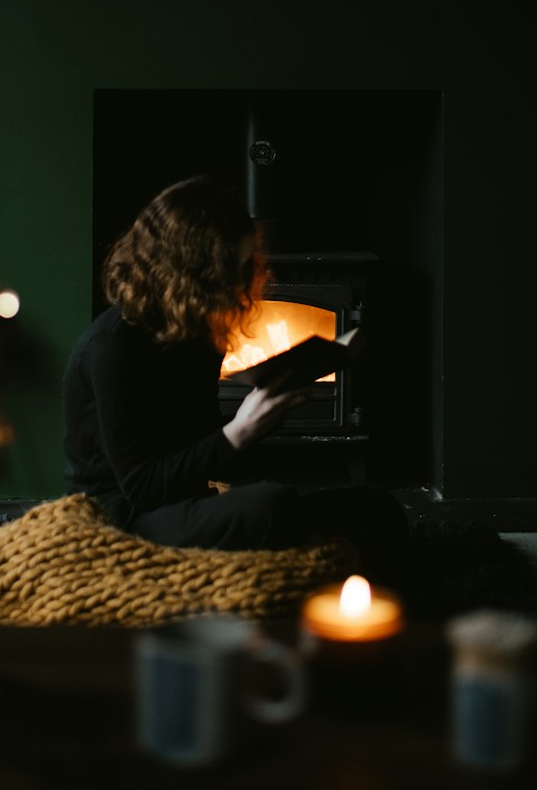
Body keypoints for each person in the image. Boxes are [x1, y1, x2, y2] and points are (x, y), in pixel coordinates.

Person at [61, 174, 410, 585]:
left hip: (188, 499)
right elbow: (142, 487)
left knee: (378, 508)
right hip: (125, 517)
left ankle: (314, 560)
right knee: (270, 506)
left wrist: (269, 405)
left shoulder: (194, 331)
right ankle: (307, 562)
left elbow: (200, 446)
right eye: (236, 268)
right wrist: (239, 433)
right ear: (192, 270)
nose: (246, 281)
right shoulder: (112, 348)